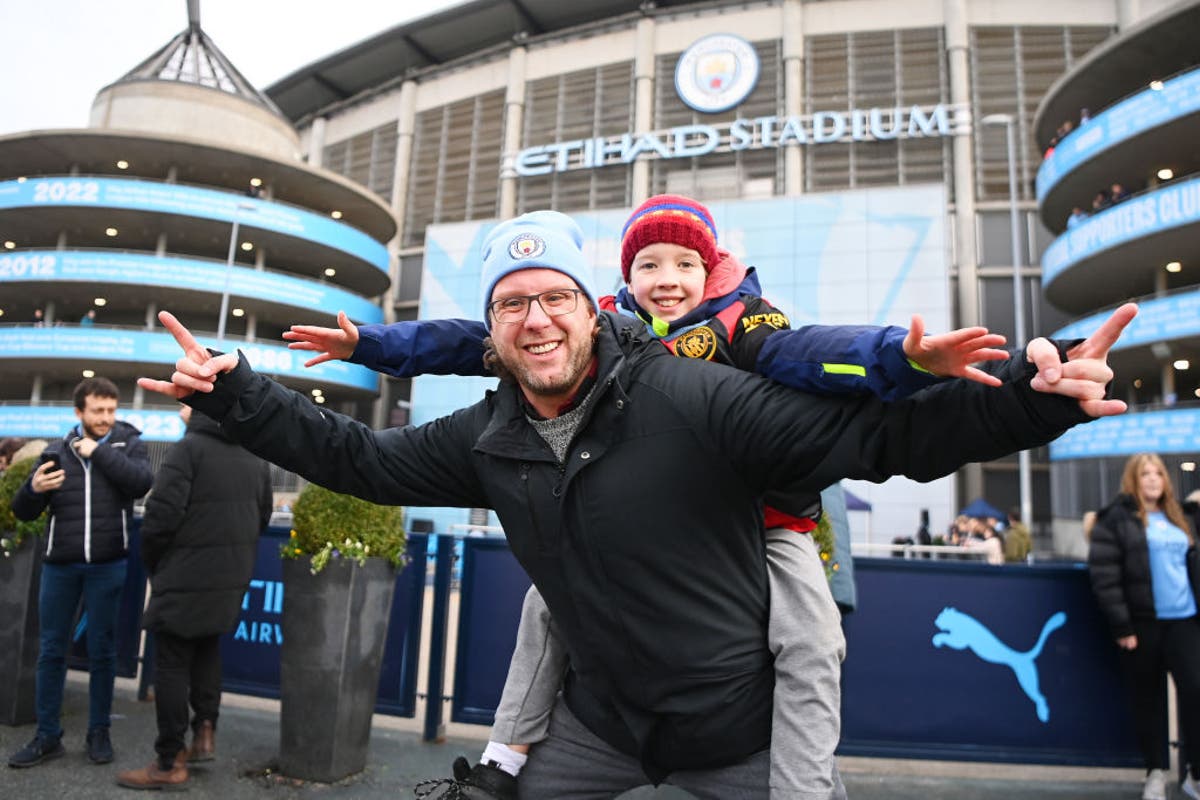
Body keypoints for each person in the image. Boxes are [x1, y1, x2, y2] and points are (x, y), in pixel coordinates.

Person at [140, 210, 1131, 799]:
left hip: (733, 734)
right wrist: (238, 388)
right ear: (490, 331)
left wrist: (1024, 405)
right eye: (511, 304)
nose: (535, 320)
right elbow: (356, 456)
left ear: (591, 308)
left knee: (809, 651)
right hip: (601, 727)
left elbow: (882, 438)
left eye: (554, 298)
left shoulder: (694, 394)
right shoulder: (485, 435)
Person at [116, 406, 273, 791]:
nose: (181, 409)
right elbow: (263, 516)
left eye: (186, 401)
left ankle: (169, 761)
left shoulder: (189, 449)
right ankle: (205, 732)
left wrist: (158, 564)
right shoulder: (254, 453)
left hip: (184, 575)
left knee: (169, 664)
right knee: (206, 649)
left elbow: (160, 517)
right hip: (230, 577)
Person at [8, 377, 154, 768]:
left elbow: (142, 483)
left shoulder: (128, 444)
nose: (106, 418)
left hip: (109, 565)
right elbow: (23, 513)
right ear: (79, 413)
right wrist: (33, 489)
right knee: (52, 651)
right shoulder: (56, 452)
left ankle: (98, 731)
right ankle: (47, 735)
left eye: (111, 410)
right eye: (98, 411)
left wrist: (98, 453)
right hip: (60, 567)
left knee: (103, 652)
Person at [1087, 453, 1200, 800]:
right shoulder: (1116, 519)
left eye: (1158, 474)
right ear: (1133, 480)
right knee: (1147, 702)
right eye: (1145, 474)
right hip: (1142, 625)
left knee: (1195, 694)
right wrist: (1123, 627)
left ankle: (1194, 773)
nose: (1152, 479)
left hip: (1185, 622)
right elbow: (1106, 577)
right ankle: (1155, 772)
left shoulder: (1182, 517)